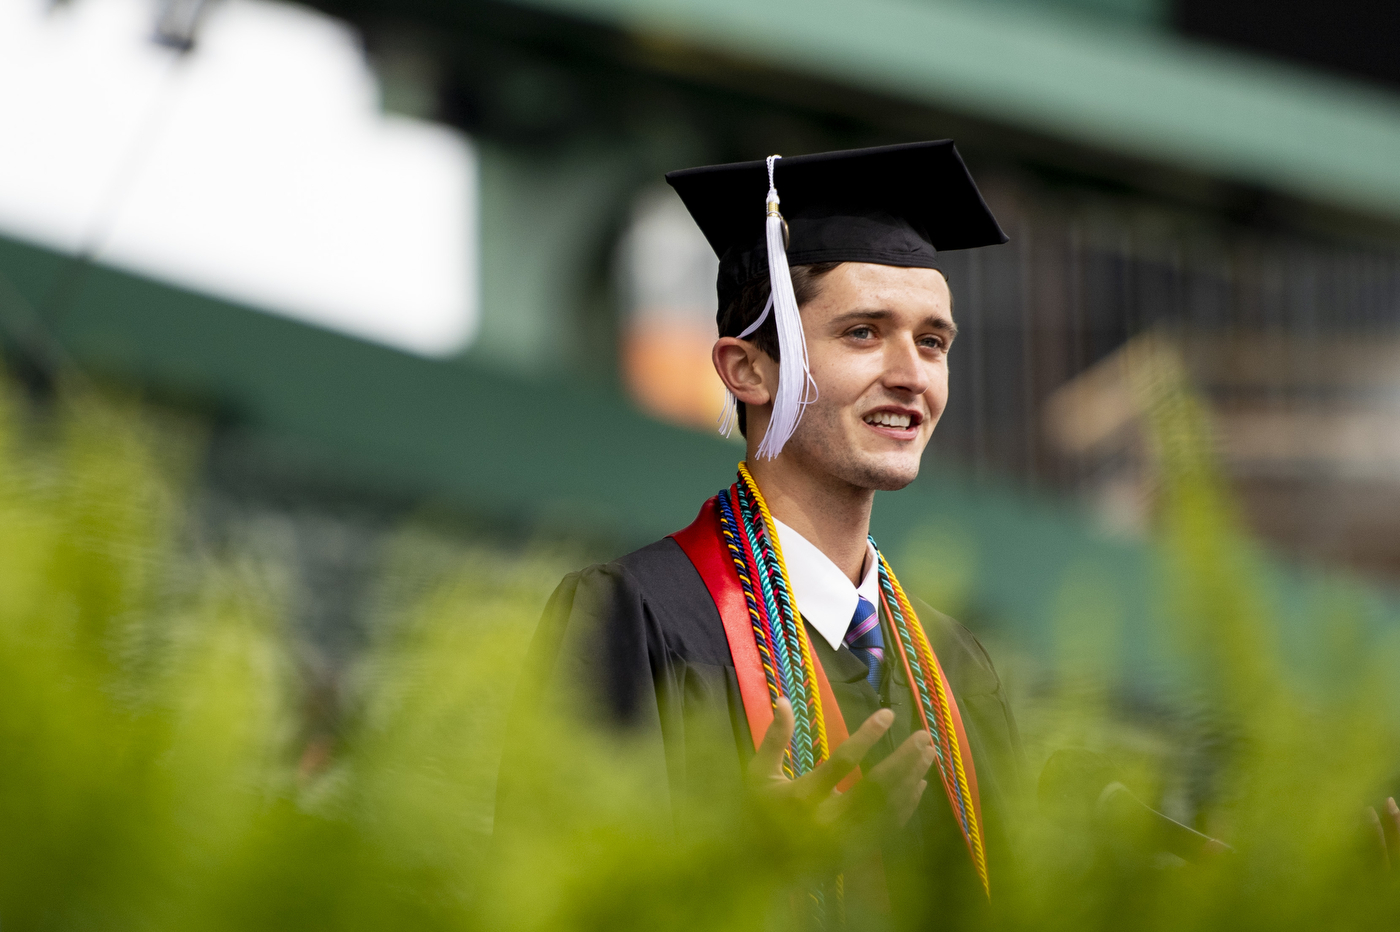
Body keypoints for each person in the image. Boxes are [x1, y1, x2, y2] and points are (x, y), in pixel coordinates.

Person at [496, 141, 1025, 924]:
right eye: (863, 333)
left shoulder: (955, 668)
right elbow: (543, 899)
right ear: (748, 370)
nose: (911, 373)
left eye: (933, 341)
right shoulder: (634, 620)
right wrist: (735, 867)